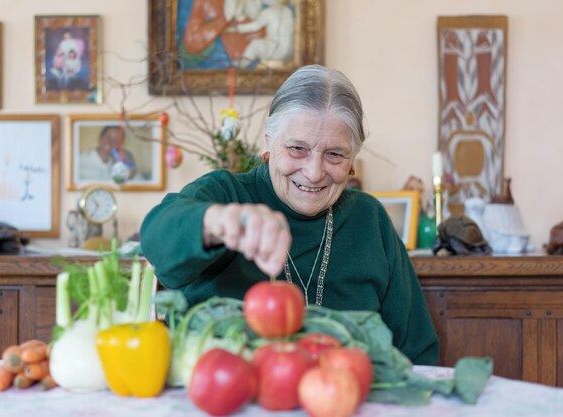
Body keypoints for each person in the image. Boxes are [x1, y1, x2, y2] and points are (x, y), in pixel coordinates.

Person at [140, 65, 439, 365]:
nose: (314, 172)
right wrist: (217, 222)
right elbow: (156, 239)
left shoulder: (368, 218)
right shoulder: (226, 194)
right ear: (268, 142)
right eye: (297, 148)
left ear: (352, 160)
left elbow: (417, 351)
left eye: (335, 154)